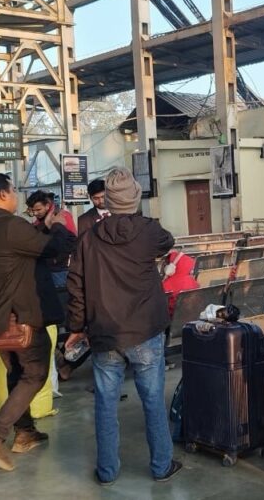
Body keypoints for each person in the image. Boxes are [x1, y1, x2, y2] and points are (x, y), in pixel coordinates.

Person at [64, 167, 182, 485]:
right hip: (145, 329)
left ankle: (107, 471)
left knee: (105, 403)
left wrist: (77, 326)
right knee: (153, 400)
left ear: (109, 200)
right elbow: (168, 242)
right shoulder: (149, 230)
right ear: (135, 198)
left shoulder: (88, 238)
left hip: (104, 331)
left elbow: (75, 286)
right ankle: (161, 465)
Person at [0, 173, 73, 472]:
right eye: (13, 190)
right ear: (2, 194)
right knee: (36, 373)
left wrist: (41, 229)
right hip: (23, 313)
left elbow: (18, 252)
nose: (16, 196)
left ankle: (25, 432)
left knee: (17, 372)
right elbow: (53, 248)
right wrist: (57, 225)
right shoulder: (10, 225)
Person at [162, 250, 199, 320]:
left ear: (171, 268)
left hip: (171, 320)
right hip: (191, 319)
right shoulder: (193, 282)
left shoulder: (166, 285)